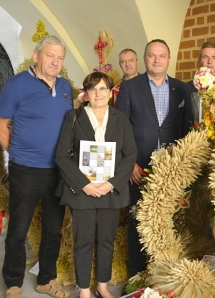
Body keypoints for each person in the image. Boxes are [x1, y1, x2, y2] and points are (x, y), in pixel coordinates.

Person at [0, 35, 73, 298]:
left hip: (58, 171)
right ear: (36, 55)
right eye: (50, 55)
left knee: (53, 229)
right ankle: (14, 283)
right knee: (18, 229)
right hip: (26, 170)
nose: (55, 62)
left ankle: (46, 280)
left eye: (60, 57)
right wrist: (17, 152)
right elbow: (1, 124)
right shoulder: (16, 85)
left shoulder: (66, 86)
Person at [55, 72, 137, 298]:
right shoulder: (73, 117)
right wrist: (84, 185)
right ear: (86, 93)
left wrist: (111, 183)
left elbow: (130, 155)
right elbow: (61, 156)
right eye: (93, 89)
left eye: (103, 89)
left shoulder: (120, 118)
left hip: (111, 191)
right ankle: (84, 290)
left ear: (110, 93)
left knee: (106, 241)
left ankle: (102, 286)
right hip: (82, 192)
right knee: (83, 241)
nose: (98, 93)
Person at [115, 39, 193, 278]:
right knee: (138, 221)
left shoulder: (182, 88)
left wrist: (182, 165)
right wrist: (129, 165)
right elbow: (120, 127)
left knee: (170, 221)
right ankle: (136, 277)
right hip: (138, 168)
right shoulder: (130, 88)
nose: (157, 60)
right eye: (152, 55)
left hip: (170, 170)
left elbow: (187, 129)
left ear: (169, 59)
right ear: (145, 58)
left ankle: (163, 273)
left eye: (161, 55)